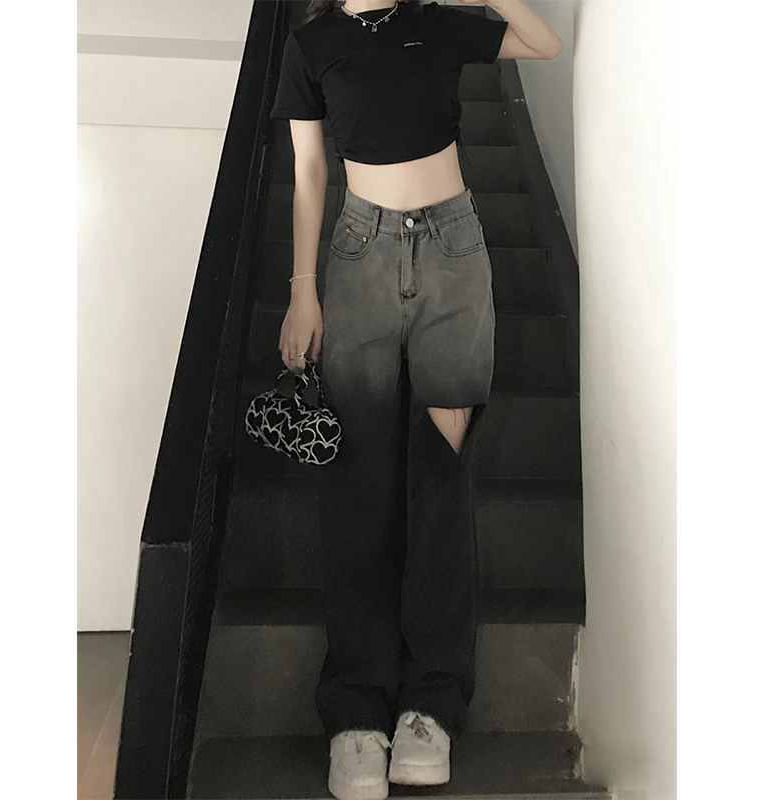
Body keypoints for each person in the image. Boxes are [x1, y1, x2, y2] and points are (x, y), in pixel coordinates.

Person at [269, 2, 562, 798]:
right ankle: (356, 714)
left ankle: (431, 706)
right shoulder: (311, 44)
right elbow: (309, 171)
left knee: (441, 476)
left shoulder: (437, 22)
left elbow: (543, 42)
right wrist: (303, 291)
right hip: (358, 256)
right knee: (359, 486)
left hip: (454, 257)